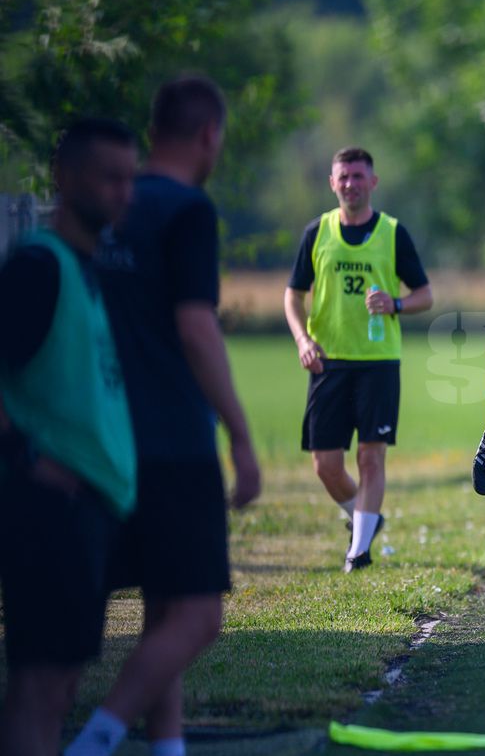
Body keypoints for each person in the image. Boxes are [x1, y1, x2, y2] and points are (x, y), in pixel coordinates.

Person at [67, 76, 261, 756]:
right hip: (173, 438)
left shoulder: (110, 208)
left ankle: (168, 745)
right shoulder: (187, 210)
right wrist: (239, 434)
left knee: (160, 606)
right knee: (199, 614)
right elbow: (196, 327)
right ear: (209, 134)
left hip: (101, 433)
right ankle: (97, 738)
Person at [0, 119, 138, 756]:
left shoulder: (88, 267)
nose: (120, 193)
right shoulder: (38, 266)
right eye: (106, 178)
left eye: (127, 180)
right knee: (38, 685)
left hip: (90, 508)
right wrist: (30, 459)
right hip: (47, 506)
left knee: (60, 688)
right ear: (64, 176)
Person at [284, 147, 432, 572]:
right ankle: (367, 518)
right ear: (332, 183)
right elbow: (292, 297)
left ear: (373, 182)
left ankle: (359, 550)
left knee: (371, 456)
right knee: (326, 465)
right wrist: (302, 340)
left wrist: (396, 304)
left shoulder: (392, 232)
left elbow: (426, 295)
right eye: (343, 177)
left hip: (378, 362)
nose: (350, 184)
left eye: (358, 176)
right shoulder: (317, 232)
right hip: (326, 362)